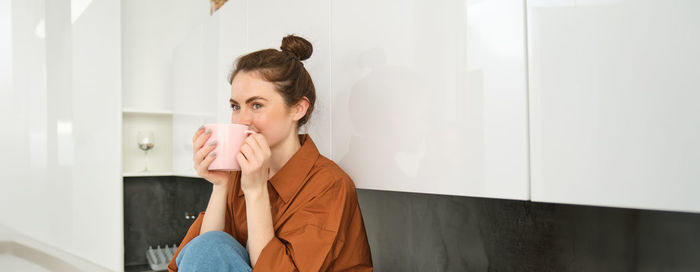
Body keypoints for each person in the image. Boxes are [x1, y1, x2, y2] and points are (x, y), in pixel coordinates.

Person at [167, 35, 373, 272]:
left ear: (298, 108)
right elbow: (202, 258)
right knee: (208, 246)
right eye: (236, 106)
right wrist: (220, 186)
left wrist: (255, 193)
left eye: (256, 105)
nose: (241, 120)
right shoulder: (238, 172)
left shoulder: (329, 185)